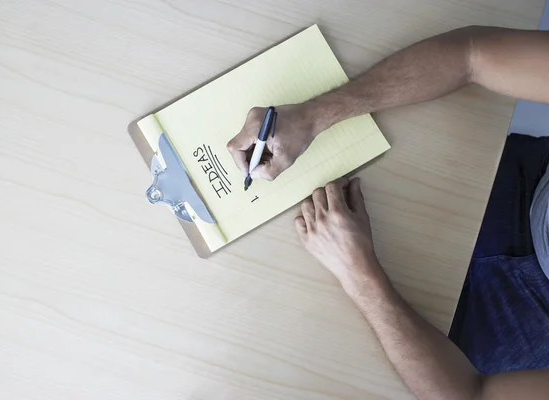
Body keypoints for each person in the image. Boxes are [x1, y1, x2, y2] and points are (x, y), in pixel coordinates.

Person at [227, 26, 549, 399]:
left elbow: (469, 394)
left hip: (529, 322)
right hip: (524, 184)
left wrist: (358, 272)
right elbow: (470, 55)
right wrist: (314, 117)